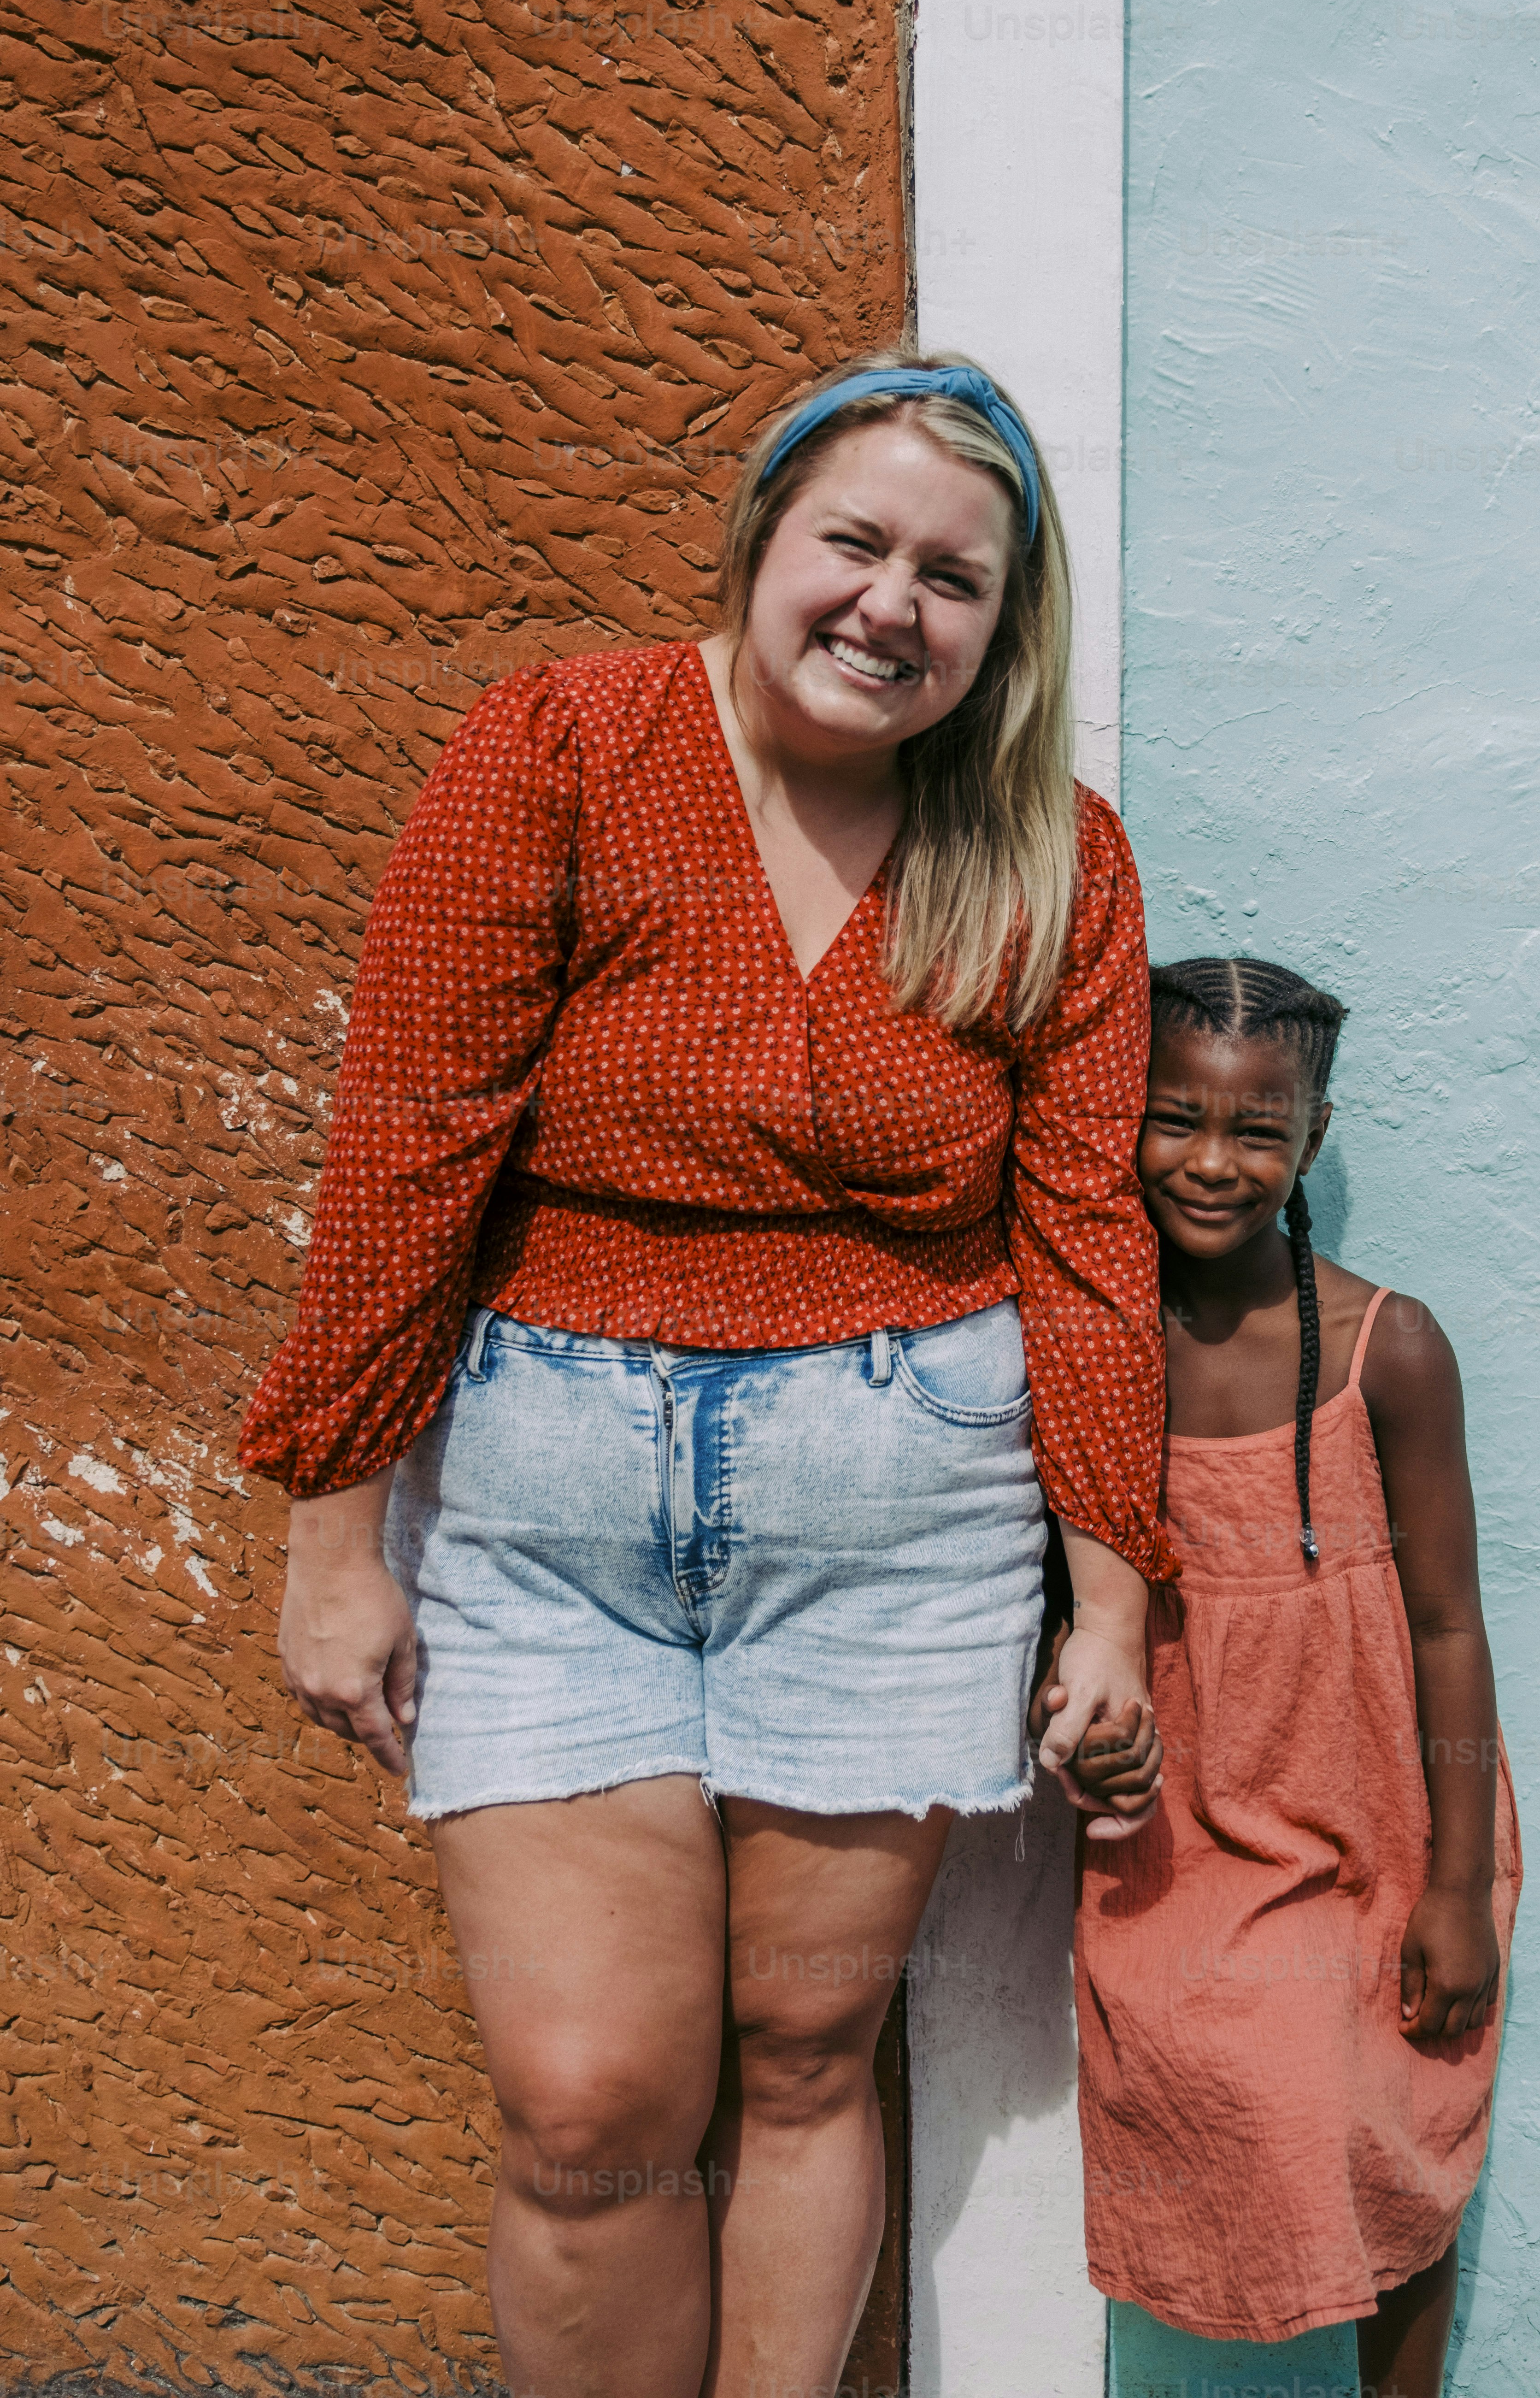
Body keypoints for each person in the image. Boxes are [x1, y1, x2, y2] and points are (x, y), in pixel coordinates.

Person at [239, 351, 1166, 2398]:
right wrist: (332, 1534)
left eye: (954, 579)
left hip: (902, 1516)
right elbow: (411, 1140)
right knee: (587, 2106)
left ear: (1003, 630)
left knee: (812, 2056)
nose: (889, 607)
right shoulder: (566, 743)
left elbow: (1085, 1243)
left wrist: (1108, 1599)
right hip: (550, 1507)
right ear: (761, 538)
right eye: (855, 542)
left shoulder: (1046, 857)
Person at [1063, 957, 1521, 2398]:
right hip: (1183, 1823)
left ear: (1311, 1142)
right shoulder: (1090, 1350)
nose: (1213, 1161)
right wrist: (1071, 1722)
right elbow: (1051, 1606)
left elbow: (1449, 1623)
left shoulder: (1393, 1349)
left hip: (1379, 1808)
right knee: (1238, 2072)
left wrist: (1454, 1887)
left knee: (1394, 2127)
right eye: (1174, 1118)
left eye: (1258, 1130)